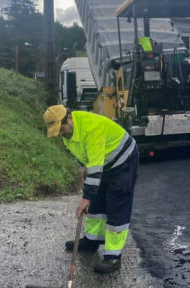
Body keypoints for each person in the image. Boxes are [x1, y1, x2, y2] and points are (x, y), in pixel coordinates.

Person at [43, 105, 139, 273]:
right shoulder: (70, 131)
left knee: (116, 206)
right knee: (97, 203)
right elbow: (88, 157)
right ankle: (91, 240)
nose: (59, 134)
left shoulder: (91, 128)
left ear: (70, 119)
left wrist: (84, 199)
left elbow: (95, 165)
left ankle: (113, 256)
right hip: (104, 160)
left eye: (61, 129)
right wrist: (86, 170)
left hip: (123, 160)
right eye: (56, 131)